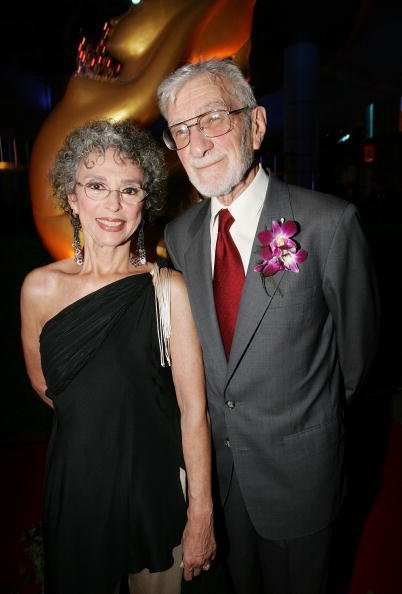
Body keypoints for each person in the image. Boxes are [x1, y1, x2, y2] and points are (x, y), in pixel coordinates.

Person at [157, 58, 380, 594]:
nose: (199, 143)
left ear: (255, 125)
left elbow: (358, 357)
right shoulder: (180, 234)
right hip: (220, 483)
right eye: (181, 131)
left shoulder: (329, 223)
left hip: (300, 479)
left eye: (212, 118)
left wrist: (306, 424)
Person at [20, 119, 216, 594]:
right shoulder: (40, 287)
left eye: (128, 190)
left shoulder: (167, 288)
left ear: (143, 202)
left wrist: (201, 514)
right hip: (79, 483)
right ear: (72, 197)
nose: (112, 205)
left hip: (155, 487)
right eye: (96, 186)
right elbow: (49, 389)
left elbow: (194, 411)